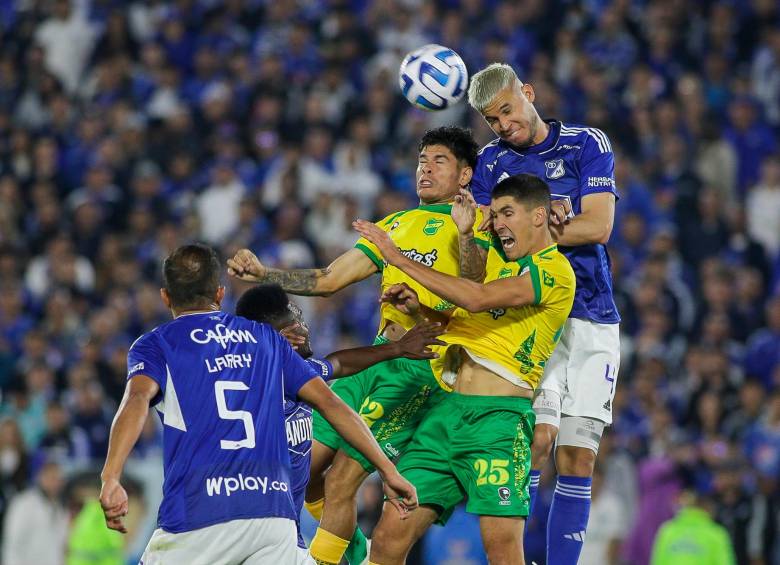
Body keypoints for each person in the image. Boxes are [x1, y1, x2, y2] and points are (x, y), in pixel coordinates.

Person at [227, 126, 491, 565]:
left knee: (343, 478)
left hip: (423, 365)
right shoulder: (396, 225)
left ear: (465, 175)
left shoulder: (475, 222)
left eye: (439, 160)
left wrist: (464, 238)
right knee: (305, 471)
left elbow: (476, 291)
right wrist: (264, 274)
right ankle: (355, 557)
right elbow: (328, 280)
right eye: (422, 159)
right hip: (377, 357)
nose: (425, 167)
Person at [99, 243, 417, 564]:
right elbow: (331, 404)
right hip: (271, 518)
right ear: (221, 294)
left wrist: (111, 476)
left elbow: (137, 398)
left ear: (166, 296)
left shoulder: (157, 343)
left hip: (200, 515)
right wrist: (388, 470)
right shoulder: (266, 339)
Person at [353, 173, 575, 565]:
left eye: (508, 213)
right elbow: (462, 320)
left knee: (503, 553)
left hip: (498, 423)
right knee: (387, 539)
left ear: (539, 216)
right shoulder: (498, 266)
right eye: (498, 213)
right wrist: (418, 309)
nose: (499, 222)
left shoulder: (553, 271)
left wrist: (397, 258)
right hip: (446, 415)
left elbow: (476, 299)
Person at [467, 62, 621, 565]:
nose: (504, 125)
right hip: (532, 313)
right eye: (493, 120)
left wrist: (525, 227)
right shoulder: (490, 163)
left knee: (578, 455)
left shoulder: (585, 144)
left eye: (508, 111)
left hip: (593, 313)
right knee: (536, 441)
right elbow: (498, 241)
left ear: (528, 93)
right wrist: (542, 226)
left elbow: (597, 226)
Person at [233, 283, 444, 564]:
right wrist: (388, 470)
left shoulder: (291, 371)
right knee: (333, 480)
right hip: (261, 531)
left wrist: (397, 348)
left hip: (260, 530)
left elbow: (338, 364)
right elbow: (340, 412)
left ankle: (356, 553)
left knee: (315, 481)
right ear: (285, 337)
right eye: (299, 323)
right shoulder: (275, 377)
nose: (307, 330)